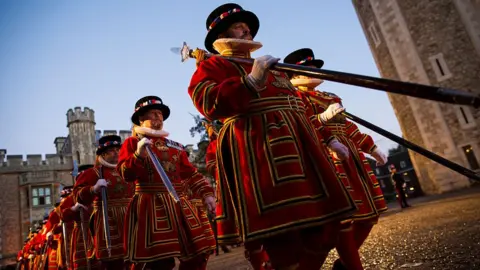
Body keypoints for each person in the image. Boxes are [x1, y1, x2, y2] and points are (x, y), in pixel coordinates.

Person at [188, 3, 357, 269]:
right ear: (223, 32)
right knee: (283, 234)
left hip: (302, 152)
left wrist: (329, 137)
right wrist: (249, 82)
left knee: (328, 225)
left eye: (248, 27)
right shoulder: (215, 64)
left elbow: (300, 106)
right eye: (238, 26)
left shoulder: (273, 67)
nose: (246, 30)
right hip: (259, 151)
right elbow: (206, 100)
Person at [284, 48, 389, 270]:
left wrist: (370, 147)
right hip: (324, 157)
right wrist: (322, 118)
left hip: (351, 156)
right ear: (294, 75)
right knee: (345, 220)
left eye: (314, 68)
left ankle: (342, 265)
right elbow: (299, 127)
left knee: (369, 215)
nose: (314, 72)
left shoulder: (330, 97)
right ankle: (352, 266)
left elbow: (348, 125)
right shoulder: (293, 97)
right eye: (307, 69)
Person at [117, 95, 216, 270]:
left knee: (198, 252)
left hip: (180, 204)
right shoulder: (132, 143)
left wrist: (207, 194)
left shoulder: (175, 146)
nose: (159, 118)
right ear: (141, 118)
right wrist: (138, 155)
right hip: (151, 205)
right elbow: (127, 174)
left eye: (160, 114)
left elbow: (191, 174)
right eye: (153, 114)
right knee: (159, 261)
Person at [73, 135, 134, 269]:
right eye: (112, 150)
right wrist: (93, 189)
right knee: (113, 261)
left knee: (135, 256)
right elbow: (77, 194)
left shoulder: (126, 170)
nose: (116, 153)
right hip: (108, 218)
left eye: (118, 149)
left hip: (130, 217)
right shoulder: (93, 173)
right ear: (103, 154)